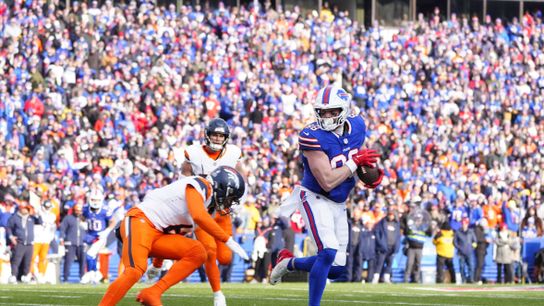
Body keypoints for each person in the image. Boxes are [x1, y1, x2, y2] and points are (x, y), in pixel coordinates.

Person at [270, 86, 383, 306]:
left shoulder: (358, 126)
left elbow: (354, 159)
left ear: (344, 110)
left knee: (337, 268)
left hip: (339, 202)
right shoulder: (311, 135)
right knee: (328, 251)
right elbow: (328, 181)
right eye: (323, 112)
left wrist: (369, 175)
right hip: (314, 196)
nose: (327, 116)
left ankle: (288, 263)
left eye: (332, 111)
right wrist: (355, 163)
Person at [98, 166, 249, 306]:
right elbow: (198, 215)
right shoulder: (201, 185)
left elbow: (170, 233)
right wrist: (227, 239)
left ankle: (153, 292)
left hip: (157, 233)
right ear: (222, 188)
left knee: (198, 252)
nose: (229, 204)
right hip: (141, 221)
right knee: (135, 270)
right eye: (230, 198)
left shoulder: (207, 207)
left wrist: (157, 264)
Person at [149, 118, 244, 306]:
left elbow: (240, 178)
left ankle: (158, 263)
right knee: (208, 251)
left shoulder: (233, 153)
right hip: (202, 208)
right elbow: (182, 179)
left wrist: (238, 200)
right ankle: (218, 294)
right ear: (207, 135)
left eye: (221, 135)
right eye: (215, 134)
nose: (217, 138)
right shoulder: (193, 153)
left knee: (225, 258)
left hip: (222, 210)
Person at [6, 202, 42, 284]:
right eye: (25, 208)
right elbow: (8, 227)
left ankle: (25, 276)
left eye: (28, 209)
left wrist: (38, 213)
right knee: (16, 260)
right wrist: (11, 237)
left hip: (29, 243)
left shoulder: (31, 218)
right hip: (19, 242)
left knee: (27, 261)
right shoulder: (14, 217)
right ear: (21, 208)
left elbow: (40, 222)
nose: (27, 210)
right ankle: (14, 276)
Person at [372, 206, 401, 284]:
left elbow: (398, 236)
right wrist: (381, 244)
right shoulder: (382, 222)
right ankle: (376, 278)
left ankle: (386, 278)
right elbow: (377, 233)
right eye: (389, 214)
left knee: (389, 264)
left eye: (392, 215)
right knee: (379, 263)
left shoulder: (396, 224)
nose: (391, 216)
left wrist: (396, 247)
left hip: (392, 248)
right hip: (383, 247)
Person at [59, 203, 87, 282]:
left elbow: (88, 230)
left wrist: (87, 240)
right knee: (68, 261)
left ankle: (82, 277)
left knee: (83, 261)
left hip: (82, 243)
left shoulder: (84, 219)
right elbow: (62, 229)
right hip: (70, 243)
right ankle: (65, 277)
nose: (78, 212)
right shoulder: (68, 218)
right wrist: (61, 238)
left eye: (80, 210)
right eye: (76, 210)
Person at [454, 217, 477, 283]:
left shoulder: (471, 232)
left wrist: (472, 248)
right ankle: (463, 279)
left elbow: (475, 241)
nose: (464, 224)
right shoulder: (458, 232)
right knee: (462, 267)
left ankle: (471, 279)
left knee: (471, 266)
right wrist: (459, 248)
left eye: (465, 223)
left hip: (469, 252)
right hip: (461, 252)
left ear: (467, 224)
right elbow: (455, 242)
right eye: (463, 223)